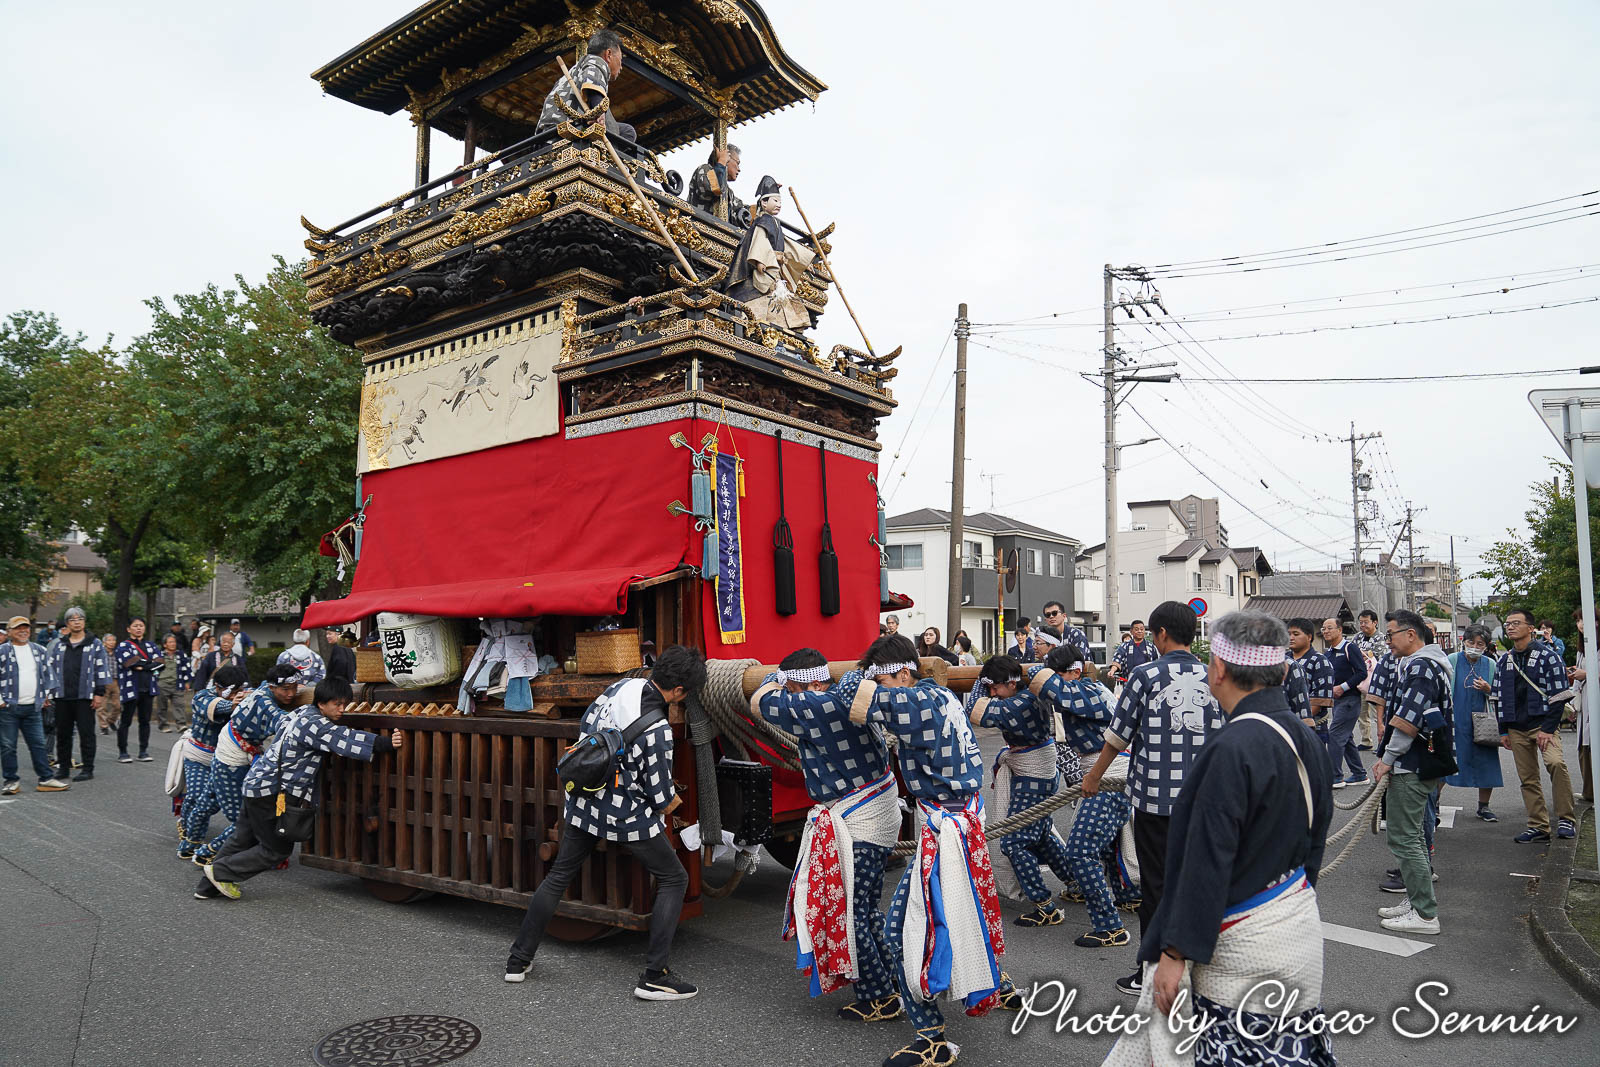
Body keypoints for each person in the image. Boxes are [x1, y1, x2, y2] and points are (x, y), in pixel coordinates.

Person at [1105, 610, 1335, 1067]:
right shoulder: (1303, 736)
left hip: (1243, 946)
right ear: (1281, 672)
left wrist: (1174, 952)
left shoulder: (1231, 747)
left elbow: (1204, 860)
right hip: (1296, 922)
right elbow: (1316, 838)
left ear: (1220, 670)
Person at [844, 634, 1019, 1067]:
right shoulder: (939, 695)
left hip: (947, 829)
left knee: (901, 932)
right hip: (961, 818)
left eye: (884, 680)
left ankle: (932, 1038)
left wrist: (851, 676)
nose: (880, 688)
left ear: (904, 674)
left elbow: (853, 695)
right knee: (965, 912)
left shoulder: (914, 700)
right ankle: (999, 984)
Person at [505, 645, 704, 1001]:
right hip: (624, 814)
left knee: (559, 876)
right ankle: (655, 976)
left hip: (583, 799)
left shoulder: (620, 687)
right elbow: (660, 795)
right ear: (678, 690)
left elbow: (587, 729)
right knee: (675, 878)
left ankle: (518, 961)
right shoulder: (658, 729)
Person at [1080, 600, 1223, 997]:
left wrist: (1093, 776)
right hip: (1204, 800)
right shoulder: (1215, 674)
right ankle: (1198, 967)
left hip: (1156, 801)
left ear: (1160, 634)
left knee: (1157, 886)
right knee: (1197, 882)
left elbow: (1118, 736)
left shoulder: (1145, 674)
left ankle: (1152, 971)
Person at [752, 647, 902, 1021]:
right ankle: (889, 977)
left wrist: (771, 680)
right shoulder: (849, 694)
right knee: (866, 907)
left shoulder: (817, 705)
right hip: (876, 811)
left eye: (793, 689)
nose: (790, 695)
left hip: (859, 818)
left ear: (812, 685)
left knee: (852, 912)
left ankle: (879, 997)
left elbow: (763, 703)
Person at [197, 677, 403, 901]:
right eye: (337, 704)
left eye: (345, 704)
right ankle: (220, 872)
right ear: (321, 703)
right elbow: (345, 739)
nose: (342, 709)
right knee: (276, 851)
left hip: (256, 783)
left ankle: (206, 887)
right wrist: (386, 743)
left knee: (242, 839)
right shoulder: (315, 724)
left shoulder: (301, 712)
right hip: (270, 792)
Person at [1027, 643, 1136, 948]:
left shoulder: (1087, 691)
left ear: (1075, 671)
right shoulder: (1090, 689)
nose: (1056, 679)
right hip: (1109, 770)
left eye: (1059, 672)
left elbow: (1050, 686)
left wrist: (1035, 670)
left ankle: (1110, 927)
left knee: (1080, 851)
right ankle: (1128, 896)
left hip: (1108, 772)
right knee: (1106, 844)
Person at [965, 654, 1075, 928]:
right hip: (1041, 769)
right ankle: (1076, 884)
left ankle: (1044, 906)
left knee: (1014, 842)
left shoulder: (1017, 704)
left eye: (995, 687)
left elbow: (975, 711)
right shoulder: (1029, 695)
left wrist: (978, 681)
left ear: (1012, 683)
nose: (992, 693)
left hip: (1032, 773)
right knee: (1041, 835)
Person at [1372, 609, 1453, 934]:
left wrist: (1387, 759)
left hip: (1412, 763)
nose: (1387, 641)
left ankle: (1425, 915)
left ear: (1410, 634)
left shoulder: (1421, 666)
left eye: (1390, 634)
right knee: (1414, 837)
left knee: (1404, 838)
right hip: (1420, 762)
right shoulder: (1431, 663)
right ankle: (1418, 901)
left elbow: (1409, 720)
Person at [190, 664, 302, 863]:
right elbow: (285, 722)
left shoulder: (261, 690)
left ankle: (188, 844)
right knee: (243, 820)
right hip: (213, 755)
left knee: (208, 801)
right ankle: (207, 852)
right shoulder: (204, 695)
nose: (291, 694)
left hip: (235, 752)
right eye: (286, 689)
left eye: (295, 688)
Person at [1494, 608, 1577, 843]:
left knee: (1555, 763)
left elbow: (1560, 696)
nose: (1510, 627)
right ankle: (1538, 825)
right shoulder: (1505, 660)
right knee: (1528, 777)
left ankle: (1566, 818)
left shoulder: (1548, 656)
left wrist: (1548, 729)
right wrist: (1503, 730)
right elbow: (1498, 697)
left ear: (1531, 628)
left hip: (1543, 724)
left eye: (1516, 623)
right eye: (1508, 624)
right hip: (1516, 727)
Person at [724, 176, 818, 331]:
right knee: (764, 297)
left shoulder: (775, 223)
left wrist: (805, 261)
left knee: (780, 297)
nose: (778, 205)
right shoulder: (763, 221)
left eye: (780, 202)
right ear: (764, 203)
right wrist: (760, 260)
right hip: (766, 266)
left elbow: (786, 245)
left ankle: (781, 329)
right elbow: (760, 241)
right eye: (775, 201)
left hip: (775, 268)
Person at [177, 665, 249, 860]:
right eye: (232, 691)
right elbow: (216, 706)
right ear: (217, 686)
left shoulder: (243, 696)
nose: (236, 694)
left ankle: (193, 840)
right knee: (195, 795)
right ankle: (188, 831)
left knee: (209, 803)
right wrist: (233, 705)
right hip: (199, 756)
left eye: (239, 690)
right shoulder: (202, 696)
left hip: (226, 760)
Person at [1, 617, 72, 794]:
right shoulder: (2, 651)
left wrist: (46, 694)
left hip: (33, 707)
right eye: (18, 628)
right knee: (8, 746)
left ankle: (46, 778)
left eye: (25, 627)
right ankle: (11, 780)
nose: (23, 631)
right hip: (8, 707)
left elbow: (48, 674)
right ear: (9, 632)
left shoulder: (39, 650)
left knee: (38, 744)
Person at [535, 29, 636, 144]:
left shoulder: (570, 74)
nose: (621, 66)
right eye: (620, 60)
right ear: (608, 54)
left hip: (545, 136)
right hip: (564, 132)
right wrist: (599, 112)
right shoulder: (596, 61)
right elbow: (592, 82)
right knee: (628, 132)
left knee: (625, 130)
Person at [47, 607, 112, 782]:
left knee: (86, 733)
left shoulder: (94, 643)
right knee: (63, 734)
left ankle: (88, 769)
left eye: (80, 619)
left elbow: (101, 668)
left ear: (84, 622)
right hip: (62, 696)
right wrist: (48, 692)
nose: (76, 622)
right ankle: (64, 767)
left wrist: (99, 693)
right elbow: (50, 669)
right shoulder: (60, 644)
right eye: (72, 620)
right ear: (67, 624)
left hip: (85, 696)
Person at [1445, 625, 1501, 821]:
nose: (1475, 647)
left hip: (1483, 722)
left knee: (1486, 761)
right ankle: (1434, 802)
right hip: (1456, 719)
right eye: (1471, 642)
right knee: (1446, 760)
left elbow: (1500, 692)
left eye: (1480, 644)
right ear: (1464, 642)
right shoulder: (1452, 660)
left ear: (1486, 646)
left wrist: (1488, 689)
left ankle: (1484, 806)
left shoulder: (1491, 664)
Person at [1320, 617, 1369, 787]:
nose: (1325, 631)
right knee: (1346, 737)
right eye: (1323, 628)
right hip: (1337, 702)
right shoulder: (1328, 653)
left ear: (1340, 630)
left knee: (1335, 736)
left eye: (1329, 628)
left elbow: (1362, 672)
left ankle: (1334, 777)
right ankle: (1359, 774)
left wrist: (1343, 687)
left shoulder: (1350, 648)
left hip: (1350, 700)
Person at [114, 616, 165, 763]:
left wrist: (142, 665)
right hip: (131, 687)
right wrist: (149, 664)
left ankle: (143, 751)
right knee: (126, 720)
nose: (138, 628)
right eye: (135, 626)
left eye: (141, 626)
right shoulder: (123, 646)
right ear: (128, 629)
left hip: (148, 688)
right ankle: (123, 751)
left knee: (145, 721)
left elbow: (161, 663)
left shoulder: (151, 645)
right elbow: (129, 662)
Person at [1288, 618, 1334, 764]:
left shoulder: (1320, 661)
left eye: (1296, 634)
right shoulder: (1283, 660)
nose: (1291, 638)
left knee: (1312, 768)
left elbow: (1319, 700)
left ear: (1309, 637)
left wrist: (1297, 721)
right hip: (1285, 726)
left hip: (1313, 727)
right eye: (1289, 634)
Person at [1570, 608, 1597, 804]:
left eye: (1584, 619)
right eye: (1578, 620)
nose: (1581, 624)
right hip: (1584, 702)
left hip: (1595, 703)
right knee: (1584, 745)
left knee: (1593, 744)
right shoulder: (1582, 649)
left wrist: (1586, 674)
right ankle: (1589, 791)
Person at [687, 144, 747, 223]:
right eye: (737, 163)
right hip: (698, 226)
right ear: (727, 157)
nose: (739, 169)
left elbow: (740, 211)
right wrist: (722, 161)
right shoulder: (705, 169)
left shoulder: (729, 192)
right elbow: (713, 188)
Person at [1353, 609, 1386, 748]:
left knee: (1377, 713)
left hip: (1375, 680)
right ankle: (1366, 740)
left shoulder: (1381, 637)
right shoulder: (1357, 637)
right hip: (1360, 679)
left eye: (1366, 622)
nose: (1363, 625)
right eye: (1361, 622)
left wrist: (1363, 653)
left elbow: (1378, 655)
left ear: (1375, 622)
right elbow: (1352, 653)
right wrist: (1365, 654)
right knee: (1362, 712)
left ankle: (1382, 742)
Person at [153, 633, 195, 733]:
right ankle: (163, 725)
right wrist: (156, 680)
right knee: (162, 706)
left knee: (179, 704)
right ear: (165, 644)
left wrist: (187, 682)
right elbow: (154, 669)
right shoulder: (159, 655)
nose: (173, 644)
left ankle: (181, 724)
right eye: (170, 642)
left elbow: (187, 669)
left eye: (174, 642)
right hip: (162, 683)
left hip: (178, 683)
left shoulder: (181, 655)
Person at [1111, 619, 1157, 684]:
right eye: (1136, 629)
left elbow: (1156, 663)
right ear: (1131, 631)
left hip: (1147, 682)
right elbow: (1117, 660)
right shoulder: (1125, 646)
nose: (1139, 631)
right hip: (1129, 681)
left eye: (1141, 629)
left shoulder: (1150, 647)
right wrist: (1112, 671)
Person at [96, 633, 121, 734]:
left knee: (118, 705)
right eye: (109, 640)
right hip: (104, 681)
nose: (112, 642)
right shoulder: (100, 653)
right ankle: (103, 726)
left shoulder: (118, 653)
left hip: (116, 681)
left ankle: (111, 720)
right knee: (102, 706)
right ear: (104, 642)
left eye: (113, 640)